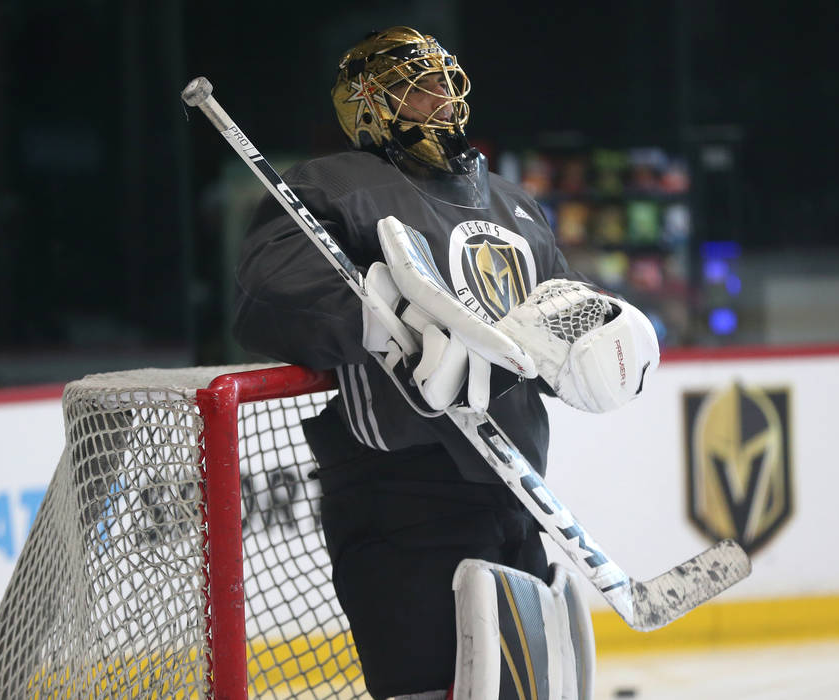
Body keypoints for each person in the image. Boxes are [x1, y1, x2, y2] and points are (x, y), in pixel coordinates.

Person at [233, 26, 654, 700]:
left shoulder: (511, 201)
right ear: (369, 106)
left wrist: (591, 340)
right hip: (403, 495)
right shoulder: (335, 186)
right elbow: (268, 296)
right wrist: (380, 320)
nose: (441, 96)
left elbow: (551, 317)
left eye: (443, 79)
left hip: (515, 489)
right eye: (414, 84)